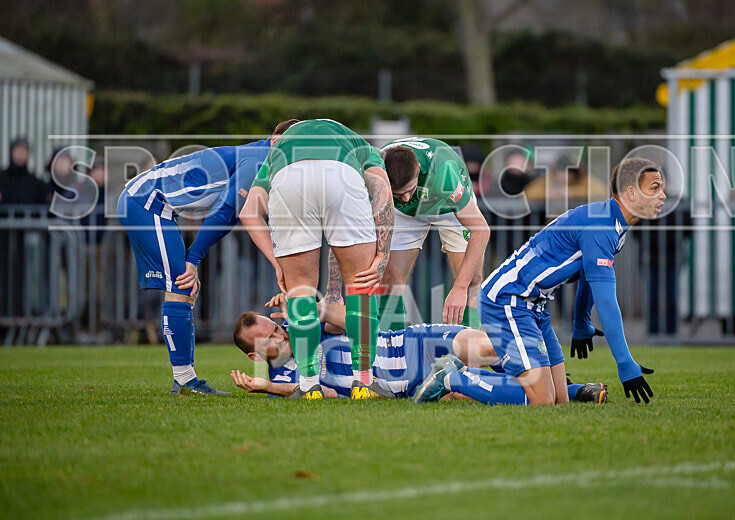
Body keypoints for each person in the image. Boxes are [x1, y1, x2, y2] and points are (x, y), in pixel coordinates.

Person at [416, 158, 664, 406]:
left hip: (533, 305)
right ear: (631, 193)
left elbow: (590, 277)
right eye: (655, 188)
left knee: (560, 400)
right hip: (508, 301)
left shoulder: (610, 222)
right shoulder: (602, 226)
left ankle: (498, 377)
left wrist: (581, 324)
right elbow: (607, 302)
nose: (663, 195)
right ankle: (452, 378)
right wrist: (625, 365)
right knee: (543, 400)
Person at [239, 119, 394, 400]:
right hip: (342, 174)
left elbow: (249, 213)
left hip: (289, 180)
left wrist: (278, 263)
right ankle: (364, 383)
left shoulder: (278, 150)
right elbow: (382, 190)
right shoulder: (351, 137)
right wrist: (382, 254)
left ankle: (309, 385)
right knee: (362, 282)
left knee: (300, 289)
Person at [117, 139, 271, 395]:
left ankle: (186, 379)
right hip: (147, 203)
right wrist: (193, 260)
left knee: (186, 289)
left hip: (152, 204)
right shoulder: (260, 157)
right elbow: (223, 212)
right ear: (276, 141)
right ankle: (185, 381)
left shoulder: (257, 155)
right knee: (182, 287)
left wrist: (194, 259)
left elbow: (229, 216)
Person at [229, 304, 607, 404]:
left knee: (495, 349)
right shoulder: (286, 379)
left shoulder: (306, 330)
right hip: (406, 384)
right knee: (480, 386)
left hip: (415, 342)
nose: (280, 333)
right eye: (271, 337)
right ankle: (575, 392)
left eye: (275, 326)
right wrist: (266, 387)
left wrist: (313, 307)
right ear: (256, 355)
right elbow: (323, 395)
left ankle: (564, 386)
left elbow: (358, 323)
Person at [378, 137, 490, 331]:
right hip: (405, 214)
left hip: (448, 207)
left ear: (419, 168)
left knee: (471, 283)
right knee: (390, 281)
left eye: (409, 190)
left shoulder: (443, 172)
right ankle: (390, 354)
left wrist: (460, 288)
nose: (405, 198)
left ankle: (466, 358)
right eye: (398, 194)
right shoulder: (374, 172)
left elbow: (481, 230)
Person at [0, 137, 49, 204]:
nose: (20, 154)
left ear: (28, 154)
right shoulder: (2, 179)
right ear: (11, 152)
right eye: (17, 150)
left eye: (23, 151)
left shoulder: (37, 184)